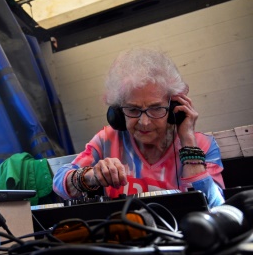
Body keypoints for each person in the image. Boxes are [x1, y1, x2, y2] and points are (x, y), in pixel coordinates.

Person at [53, 48, 225, 208]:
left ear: (174, 107)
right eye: (133, 109)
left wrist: (188, 142)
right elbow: (59, 183)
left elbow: (216, 206)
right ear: (119, 112)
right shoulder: (107, 139)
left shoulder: (202, 145)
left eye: (156, 108)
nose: (144, 122)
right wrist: (91, 176)